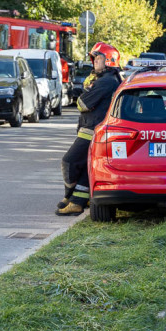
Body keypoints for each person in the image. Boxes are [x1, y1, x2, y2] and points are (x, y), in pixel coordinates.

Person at [56, 42, 122, 216]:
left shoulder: (106, 82)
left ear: (109, 61)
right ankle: (76, 201)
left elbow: (82, 104)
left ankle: (71, 196)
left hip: (92, 130)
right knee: (86, 167)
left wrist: (85, 93)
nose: (94, 62)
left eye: (98, 59)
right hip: (95, 129)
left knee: (69, 162)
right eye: (94, 59)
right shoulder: (109, 80)